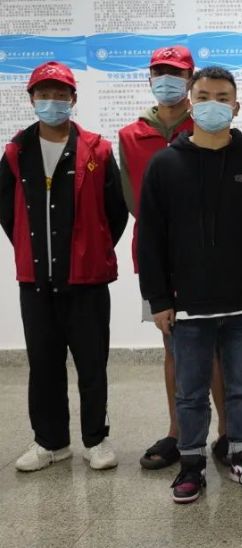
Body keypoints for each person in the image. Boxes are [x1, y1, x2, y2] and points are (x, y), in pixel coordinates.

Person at [138, 66, 242, 504]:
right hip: (187, 306)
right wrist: (159, 299)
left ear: (236, 107)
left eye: (222, 97)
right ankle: (191, 465)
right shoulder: (164, 164)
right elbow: (151, 237)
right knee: (191, 392)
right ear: (190, 103)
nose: (212, 104)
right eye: (203, 96)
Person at [3, 62, 128, 472]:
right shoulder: (16, 151)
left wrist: (91, 249)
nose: (52, 102)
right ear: (31, 99)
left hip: (87, 281)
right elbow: (7, 211)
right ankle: (50, 442)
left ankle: (96, 440)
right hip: (35, 280)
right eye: (44, 94)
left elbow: (115, 211)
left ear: (73, 99)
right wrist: (29, 249)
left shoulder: (97, 149)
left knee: (92, 364)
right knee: (43, 365)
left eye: (60, 95)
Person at [118, 46, 230, 470]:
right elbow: (131, 200)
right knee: (173, 345)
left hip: (208, 254)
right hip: (157, 257)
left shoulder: (206, 121)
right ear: (149, 77)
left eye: (177, 73)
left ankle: (226, 431)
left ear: (190, 79)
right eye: (160, 72)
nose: (167, 80)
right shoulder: (130, 135)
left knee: (214, 344)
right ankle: (177, 431)